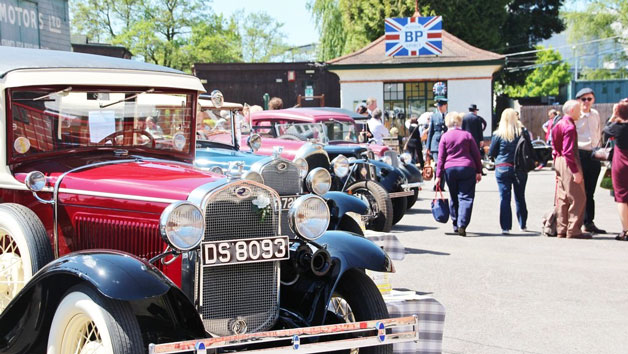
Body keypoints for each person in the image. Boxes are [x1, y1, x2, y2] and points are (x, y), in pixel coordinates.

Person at [435, 112, 483, 236]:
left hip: (450, 169)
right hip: (467, 167)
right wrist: (479, 171)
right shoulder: (467, 135)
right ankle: (463, 224)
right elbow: (476, 154)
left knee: (454, 196)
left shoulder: (445, 137)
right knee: (466, 197)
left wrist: (438, 176)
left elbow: (441, 158)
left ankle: (455, 224)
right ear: (459, 122)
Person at [551, 100, 591, 239]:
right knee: (578, 196)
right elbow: (569, 151)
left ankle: (562, 229)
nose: (581, 112)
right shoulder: (569, 126)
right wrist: (575, 172)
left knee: (562, 197)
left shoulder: (558, 124)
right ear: (572, 110)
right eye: (579, 109)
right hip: (569, 161)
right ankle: (574, 229)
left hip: (558, 160)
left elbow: (555, 146)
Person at [489, 108, 530, 234]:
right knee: (520, 196)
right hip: (520, 167)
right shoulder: (522, 132)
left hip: (502, 167)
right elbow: (529, 148)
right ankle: (522, 224)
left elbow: (492, 152)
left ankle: (505, 227)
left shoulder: (498, 134)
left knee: (504, 198)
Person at [574, 88, 606, 234]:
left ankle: (589, 221)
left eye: (589, 99)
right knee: (578, 191)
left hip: (594, 153)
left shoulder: (595, 114)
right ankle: (576, 222)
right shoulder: (575, 116)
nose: (586, 102)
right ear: (578, 100)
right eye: (583, 99)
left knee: (590, 191)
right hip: (580, 153)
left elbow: (599, 131)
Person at [604, 100, 628, 240]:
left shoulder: (616, 127)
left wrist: (614, 115)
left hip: (621, 164)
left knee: (622, 198)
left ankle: (626, 230)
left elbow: (605, 131)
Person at [427, 98, 448, 190]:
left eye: (441, 106)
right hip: (435, 143)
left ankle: (441, 186)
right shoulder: (434, 116)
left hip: (446, 143)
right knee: (437, 164)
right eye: (438, 106)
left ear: (445, 106)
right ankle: (436, 185)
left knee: (443, 165)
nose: (439, 108)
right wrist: (428, 146)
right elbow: (430, 132)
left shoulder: (448, 116)